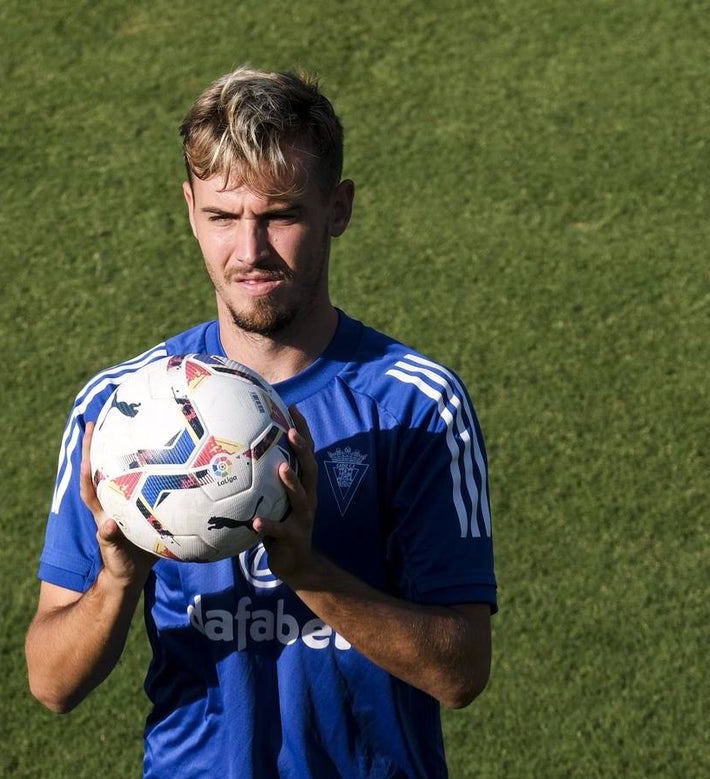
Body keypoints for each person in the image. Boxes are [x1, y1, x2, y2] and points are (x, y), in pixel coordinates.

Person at [25, 67, 497, 778]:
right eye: (223, 217)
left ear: (337, 209)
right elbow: (51, 682)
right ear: (190, 210)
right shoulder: (120, 412)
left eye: (280, 215)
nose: (250, 252)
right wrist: (118, 580)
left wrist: (307, 569)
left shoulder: (417, 408)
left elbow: (460, 670)